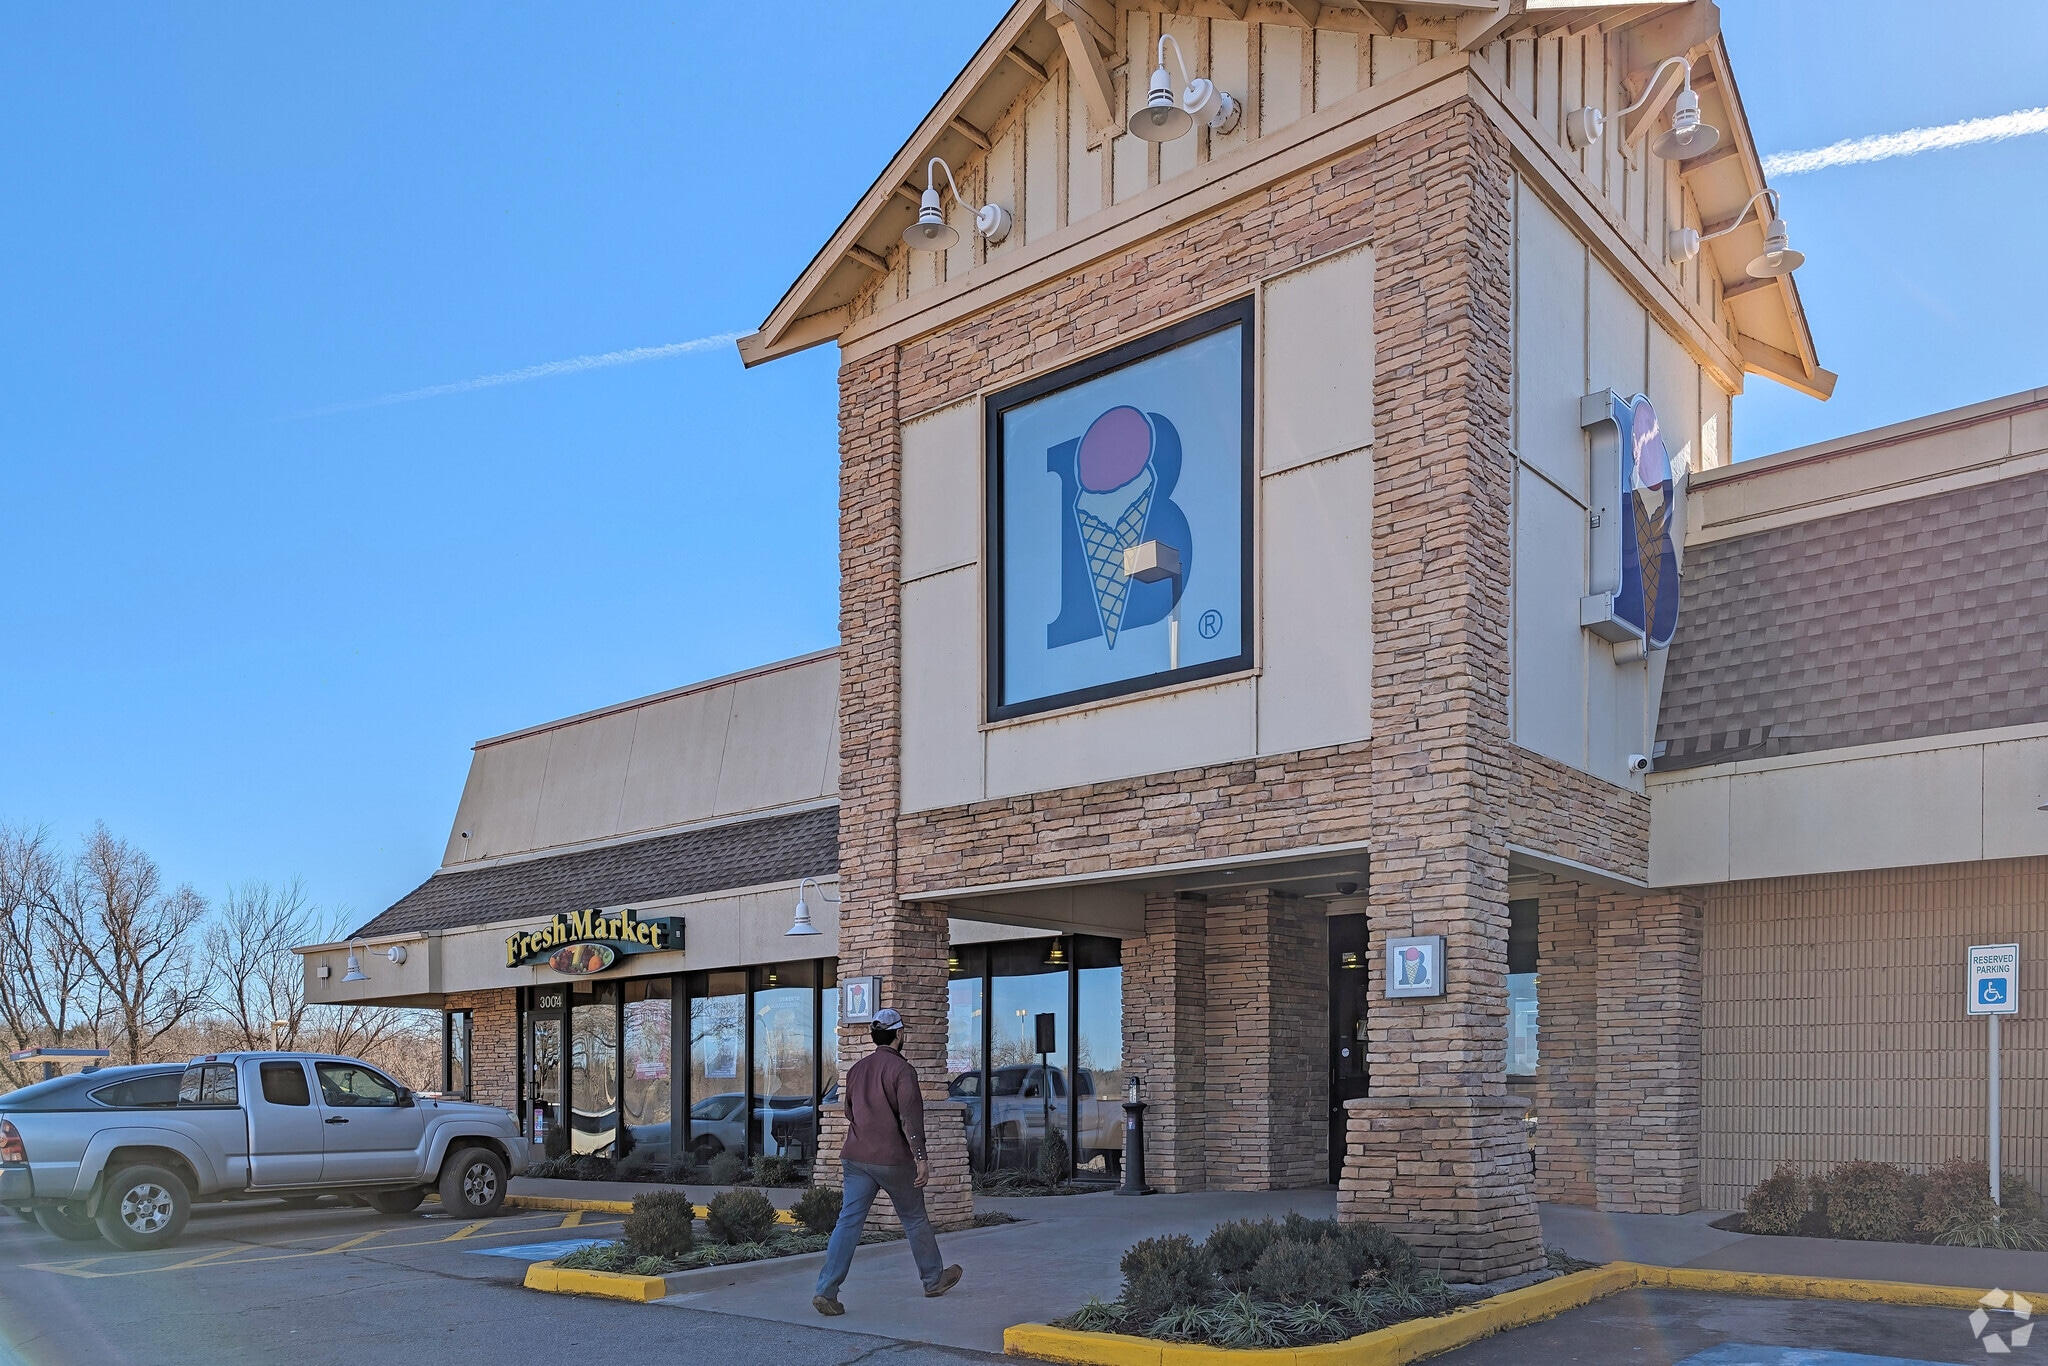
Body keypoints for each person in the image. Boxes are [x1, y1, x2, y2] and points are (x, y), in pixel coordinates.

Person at [813, 1007, 963, 1314]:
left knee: (848, 1222)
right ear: (898, 1035)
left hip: (855, 1157)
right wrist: (921, 1159)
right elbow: (910, 1118)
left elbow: (850, 1113)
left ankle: (826, 1291)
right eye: (903, 1031)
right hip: (893, 1159)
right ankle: (933, 1279)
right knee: (914, 1217)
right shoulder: (902, 1071)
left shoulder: (856, 1070)